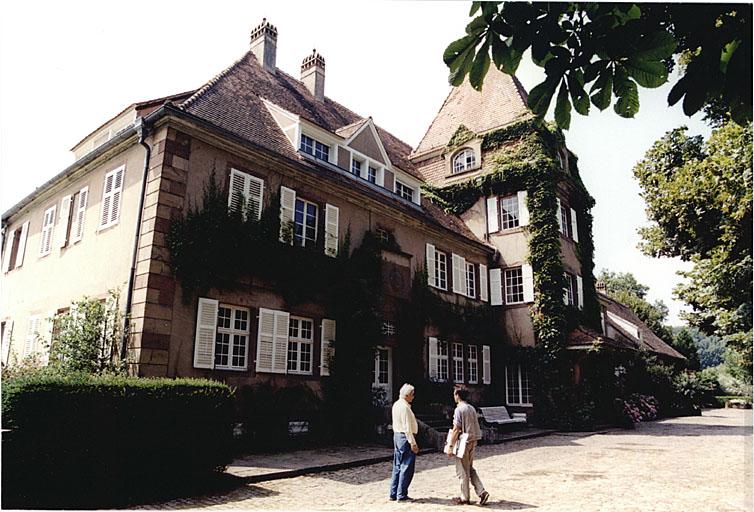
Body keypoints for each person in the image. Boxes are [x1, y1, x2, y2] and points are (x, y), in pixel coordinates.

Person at [445, 387, 490, 506]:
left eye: (454, 394)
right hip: (473, 440)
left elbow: (456, 429)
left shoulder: (459, 409)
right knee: (469, 468)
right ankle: (481, 491)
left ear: (458, 395)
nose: (454, 396)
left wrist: (450, 445)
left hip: (464, 442)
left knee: (462, 470)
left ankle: (465, 497)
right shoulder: (471, 408)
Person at [389, 383, 419, 502]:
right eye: (412, 395)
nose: (413, 397)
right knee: (406, 466)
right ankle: (401, 494)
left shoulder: (397, 404)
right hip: (404, 437)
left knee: (397, 466)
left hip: (397, 436)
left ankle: (394, 492)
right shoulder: (405, 407)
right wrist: (413, 443)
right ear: (407, 395)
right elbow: (407, 427)